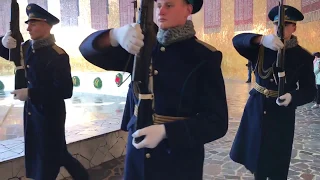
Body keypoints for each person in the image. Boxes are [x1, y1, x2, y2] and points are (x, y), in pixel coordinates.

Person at [79, 0, 228, 179]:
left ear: (188, 9)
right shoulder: (142, 47)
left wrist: (167, 132)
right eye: (158, 5)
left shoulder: (204, 57)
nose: (161, 11)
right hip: (138, 156)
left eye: (169, 5)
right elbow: (88, 50)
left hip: (178, 160)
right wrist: (114, 36)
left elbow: (217, 122)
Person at [0, 4, 89, 180]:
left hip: (50, 115)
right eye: (28, 23)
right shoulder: (26, 48)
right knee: (55, 154)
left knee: (48, 159)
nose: (28, 28)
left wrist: (31, 93)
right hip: (32, 112)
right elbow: (9, 52)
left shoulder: (58, 55)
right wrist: (3, 41)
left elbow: (65, 91)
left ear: (47, 25)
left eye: (33, 23)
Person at [229, 5, 316, 180]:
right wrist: (260, 40)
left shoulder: (303, 56)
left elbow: (310, 91)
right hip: (258, 108)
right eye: (277, 24)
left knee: (278, 160)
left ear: (294, 27)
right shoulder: (261, 48)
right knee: (257, 158)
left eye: (286, 24)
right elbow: (238, 40)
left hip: (282, 113)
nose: (280, 28)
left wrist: (293, 97)